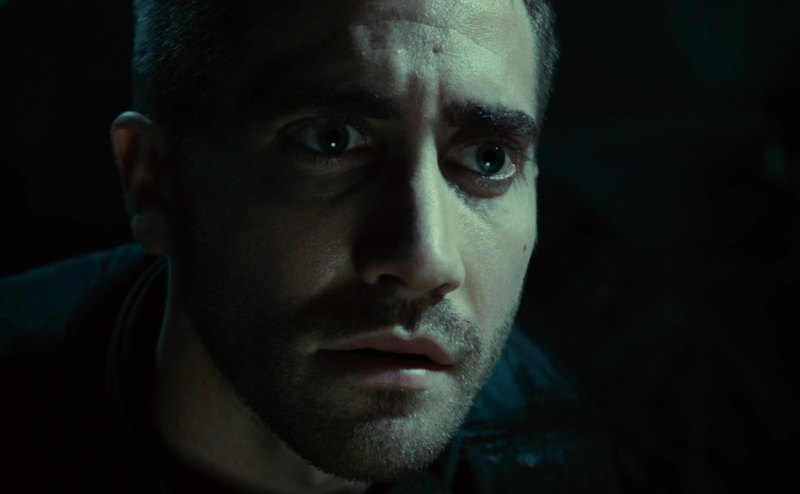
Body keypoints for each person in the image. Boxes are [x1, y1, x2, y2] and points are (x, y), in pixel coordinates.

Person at [0, 0, 619, 492]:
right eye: (331, 140)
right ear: (155, 183)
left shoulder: (559, 461)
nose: (426, 259)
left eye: (487, 158)